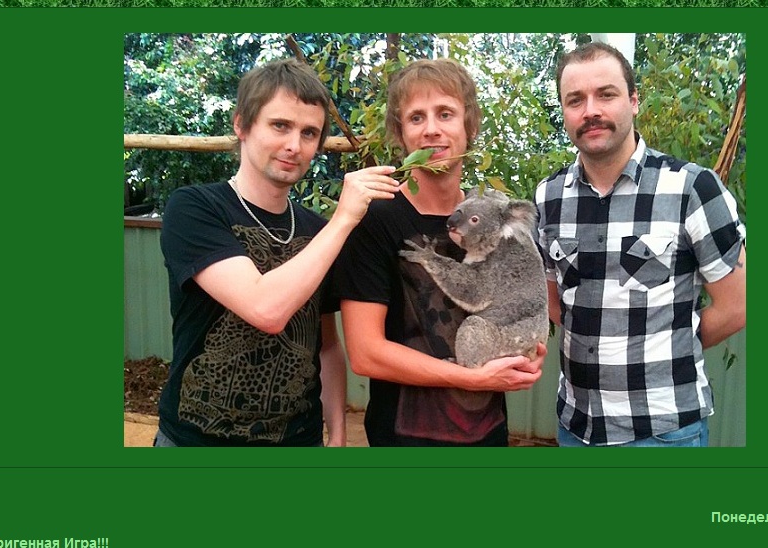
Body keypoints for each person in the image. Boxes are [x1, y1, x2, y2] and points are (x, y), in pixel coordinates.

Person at [156, 58, 399, 446]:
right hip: (196, 440)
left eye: (309, 133)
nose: (293, 145)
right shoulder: (195, 208)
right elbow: (264, 309)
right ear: (242, 125)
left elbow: (327, 345)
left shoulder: (317, 231)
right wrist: (343, 220)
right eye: (280, 125)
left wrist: (337, 433)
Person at [536, 42, 747, 447]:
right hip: (575, 427)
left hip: (664, 433)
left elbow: (738, 305)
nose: (590, 110)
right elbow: (555, 303)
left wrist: (668, 348)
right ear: (564, 111)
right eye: (575, 100)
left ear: (634, 101)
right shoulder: (548, 198)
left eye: (606, 94)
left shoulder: (691, 188)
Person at [335, 59, 545, 447]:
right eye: (416, 117)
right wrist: (472, 377)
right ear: (402, 134)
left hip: (488, 436)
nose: (432, 129)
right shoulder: (375, 220)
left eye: (445, 114)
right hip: (403, 443)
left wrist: (526, 350)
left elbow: (522, 302)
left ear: (469, 125)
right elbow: (365, 354)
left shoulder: (496, 217)